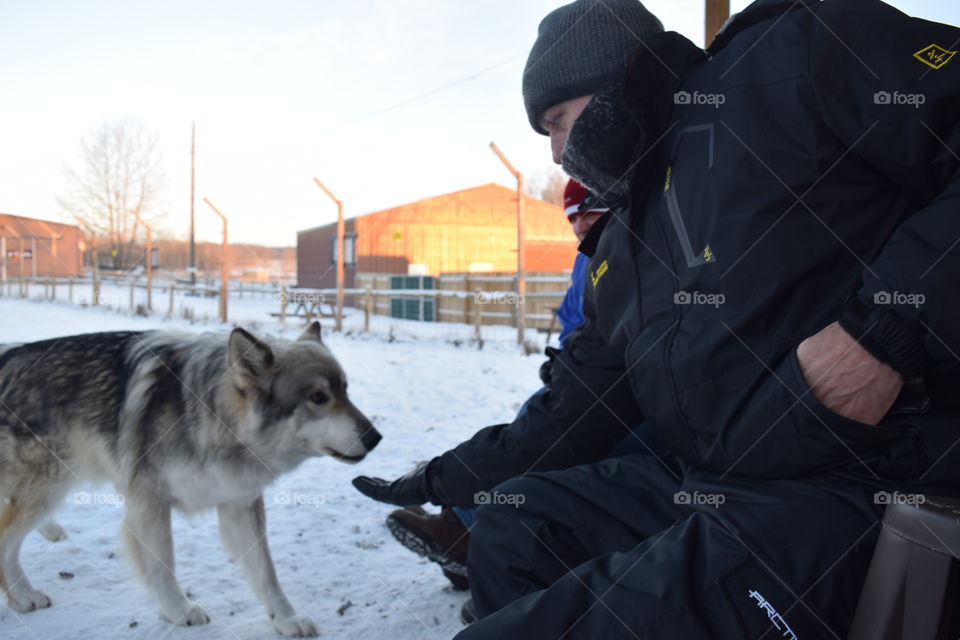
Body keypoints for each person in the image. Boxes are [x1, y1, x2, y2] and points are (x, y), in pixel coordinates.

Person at [443, 0, 960, 637]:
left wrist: (884, 333)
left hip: (853, 482)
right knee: (515, 524)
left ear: (607, 76)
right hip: (707, 482)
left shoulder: (793, 55)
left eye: (557, 121)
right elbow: (576, 407)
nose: (556, 154)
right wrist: (444, 475)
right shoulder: (629, 233)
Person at [379, 178, 610, 591]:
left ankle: (466, 536)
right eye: (571, 218)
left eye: (588, 214)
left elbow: (608, 329)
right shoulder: (590, 254)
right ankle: (467, 535)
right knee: (531, 423)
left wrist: (575, 370)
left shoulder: (622, 251)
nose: (578, 226)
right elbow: (576, 317)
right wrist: (566, 361)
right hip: (585, 369)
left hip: (610, 386)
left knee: (537, 436)